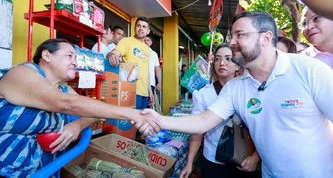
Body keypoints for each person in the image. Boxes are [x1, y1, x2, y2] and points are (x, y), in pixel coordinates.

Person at [136, 11, 333, 178]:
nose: (231, 42)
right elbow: (202, 121)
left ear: (265, 38)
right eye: (231, 36)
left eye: (240, 35)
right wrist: (159, 119)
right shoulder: (236, 87)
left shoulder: (310, 70)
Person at [0, 38, 155, 177]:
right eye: (69, 56)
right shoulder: (21, 73)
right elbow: (65, 103)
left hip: (45, 170)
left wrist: (77, 125)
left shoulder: (62, 88)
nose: (75, 62)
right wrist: (133, 114)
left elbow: (94, 111)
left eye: (76, 58)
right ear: (47, 56)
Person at [180, 44, 260, 178]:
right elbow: (197, 131)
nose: (221, 63)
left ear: (238, 64)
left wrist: (256, 157)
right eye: (217, 59)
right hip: (213, 160)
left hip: (245, 160)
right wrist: (190, 162)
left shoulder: (249, 90)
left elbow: (262, 126)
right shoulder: (203, 94)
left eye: (228, 58)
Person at [108, 17, 153, 109]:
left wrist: (150, 92)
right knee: (130, 121)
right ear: (134, 28)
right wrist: (113, 55)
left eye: (144, 27)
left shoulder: (147, 49)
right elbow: (115, 52)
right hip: (130, 90)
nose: (141, 28)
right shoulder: (126, 41)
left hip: (144, 92)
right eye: (139, 26)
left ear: (148, 31)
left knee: (140, 122)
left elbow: (146, 71)